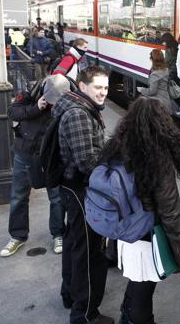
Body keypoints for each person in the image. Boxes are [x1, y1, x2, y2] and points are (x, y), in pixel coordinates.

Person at [99, 97, 180, 324]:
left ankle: (127, 314)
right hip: (146, 236)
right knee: (144, 288)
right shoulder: (158, 157)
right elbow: (170, 212)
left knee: (136, 279)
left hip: (125, 231)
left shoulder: (117, 146)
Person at [53, 65, 112, 324]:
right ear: (83, 85)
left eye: (106, 88)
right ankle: (86, 313)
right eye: (98, 88)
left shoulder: (74, 104)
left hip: (71, 187)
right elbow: (87, 162)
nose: (103, 93)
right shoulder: (78, 114)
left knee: (74, 245)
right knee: (90, 253)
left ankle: (70, 294)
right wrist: (113, 160)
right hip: (81, 189)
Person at [0, 75, 71, 258]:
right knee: (18, 195)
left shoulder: (70, 96)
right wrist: (35, 109)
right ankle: (17, 235)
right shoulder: (30, 93)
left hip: (49, 156)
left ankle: (58, 233)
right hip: (25, 152)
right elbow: (12, 112)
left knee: (56, 197)